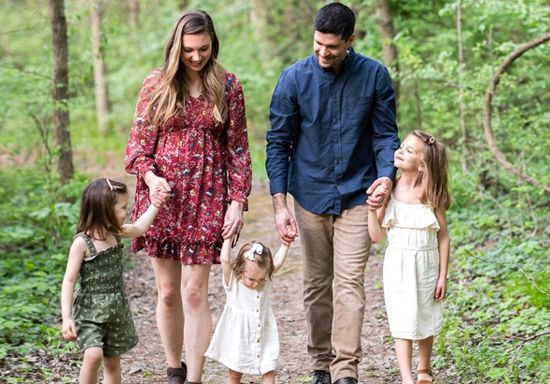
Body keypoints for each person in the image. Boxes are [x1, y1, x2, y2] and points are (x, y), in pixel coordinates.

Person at [266, 2, 400, 384]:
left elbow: (385, 135)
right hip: (309, 194)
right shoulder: (293, 79)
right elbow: (278, 143)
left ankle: (345, 371)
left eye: (332, 47)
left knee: (350, 283)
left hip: (359, 193)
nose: (323, 52)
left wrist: (386, 178)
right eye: (318, 44)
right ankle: (321, 364)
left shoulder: (374, 76)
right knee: (316, 284)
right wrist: (280, 204)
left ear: (350, 40)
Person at [124, 9, 252, 384]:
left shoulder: (228, 86)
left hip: (208, 198)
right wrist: (150, 177)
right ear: (176, 47)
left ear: (213, 43)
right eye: (189, 50)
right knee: (167, 293)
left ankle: (195, 377)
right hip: (163, 199)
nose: (196, 57)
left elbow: (239, 150)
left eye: (204, 49)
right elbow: (137, 147)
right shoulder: (157, 83)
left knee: (194, 293)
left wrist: (237, 201)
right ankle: (174, 370)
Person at [61, 178, 167, 384]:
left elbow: (139, 228)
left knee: (112, 362)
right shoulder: (82, 243)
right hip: (89, 310)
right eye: (123, 207)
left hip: (115, 309)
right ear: (104, 210)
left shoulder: (115, 232)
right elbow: (69, 280)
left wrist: (156, 204)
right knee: (93, 356)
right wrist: (66, 317)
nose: (126, 211)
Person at [368, 130, 451, 384]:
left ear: (423, 164)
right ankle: (406, 378)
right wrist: (372, 211)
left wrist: (442, 276)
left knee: (425, 316)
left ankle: (424, 368)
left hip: (426, 264)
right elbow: (376, 236)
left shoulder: (430, 194)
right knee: (402, 320)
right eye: (401, 147)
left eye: (409, 150)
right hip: (398, 266)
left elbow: (444, 237)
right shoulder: (389, 189)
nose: (400, 151)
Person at [205, 233, 294, 384]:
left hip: (264, 335)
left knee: (269, 370)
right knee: (235, 374)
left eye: (261, 279)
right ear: (239, 271)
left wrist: (286, 244)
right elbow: (225, 260)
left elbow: (276, 263)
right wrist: (227, 237)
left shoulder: (266, 279)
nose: (256, 283)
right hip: (239, 336)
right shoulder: (233, 281)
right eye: (252, 279)